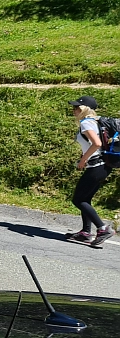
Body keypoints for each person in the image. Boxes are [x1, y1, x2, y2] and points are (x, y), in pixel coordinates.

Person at [66, 96, 113, 247]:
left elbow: (97, 143)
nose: (74, 110)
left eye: (77, 108)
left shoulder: (86, 123)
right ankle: (85, 232)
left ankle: (103, 229)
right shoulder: (96, 122)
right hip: (103, 166)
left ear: (85, 109)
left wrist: (83, 160)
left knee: (78, 200)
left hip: (96, 166)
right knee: (86, 199)